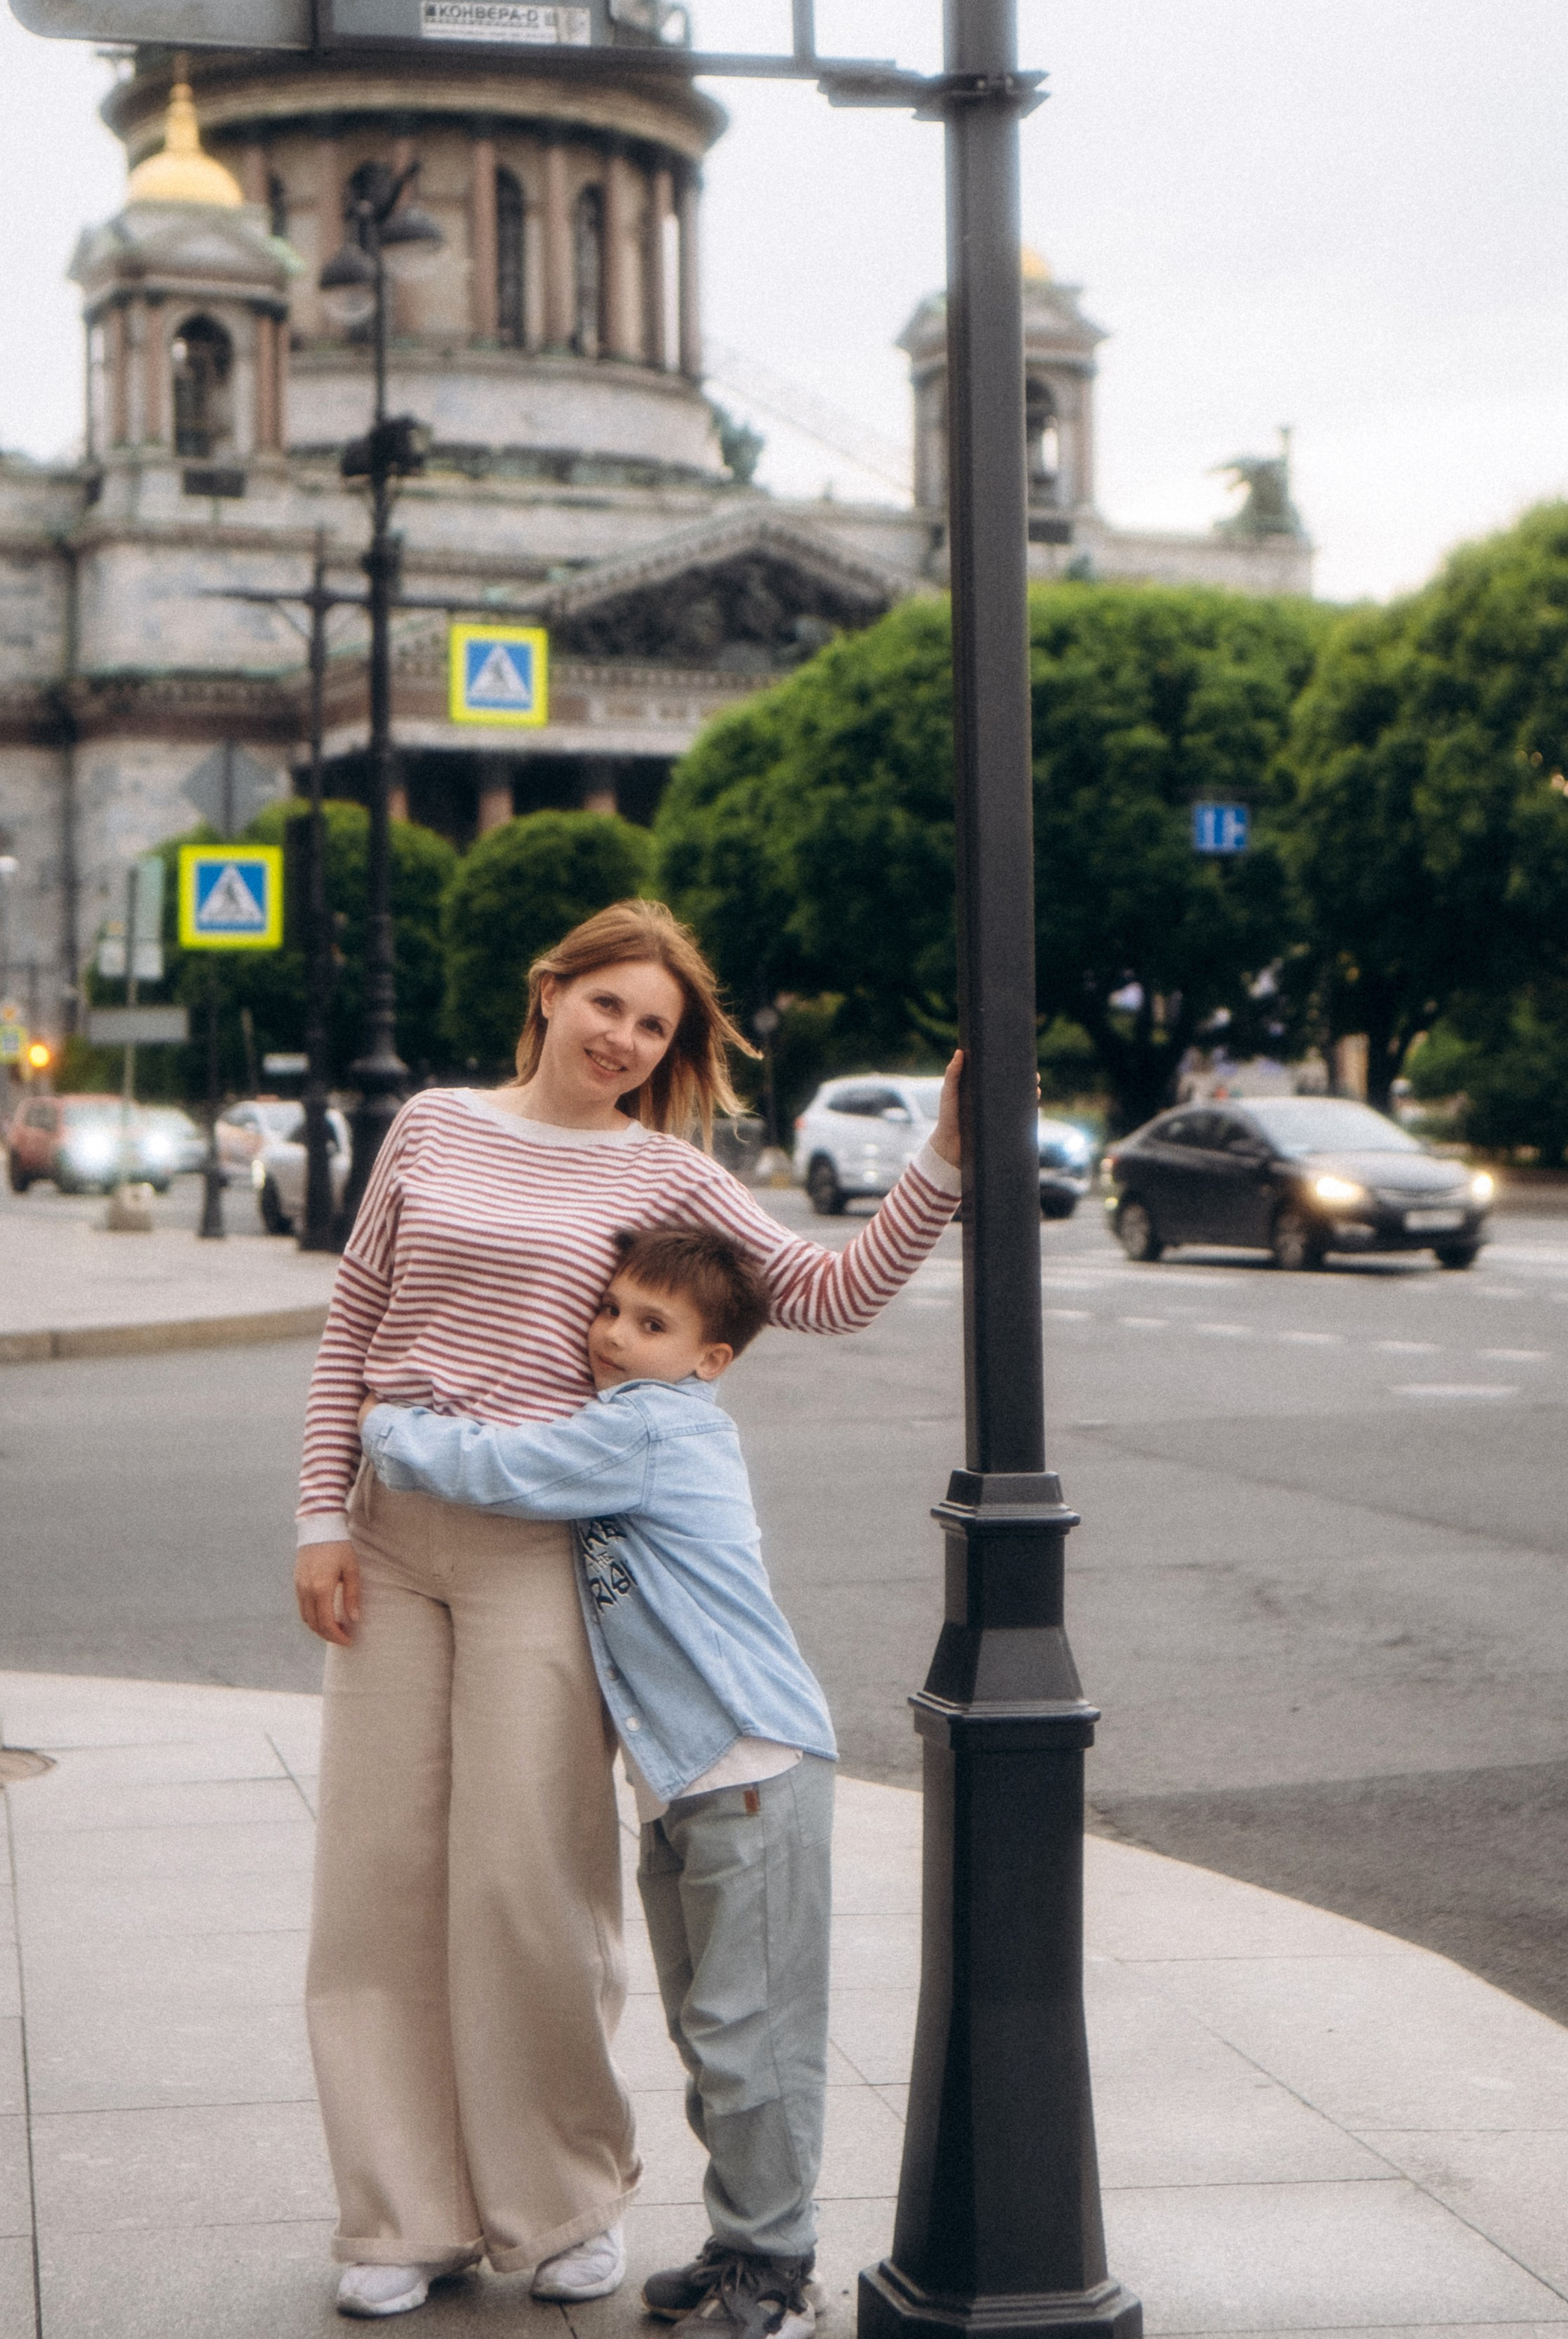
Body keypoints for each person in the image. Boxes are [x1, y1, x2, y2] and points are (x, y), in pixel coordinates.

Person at [294, 898, 963, 2323]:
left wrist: (943, 1161)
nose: (627, 1039)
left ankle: (560, 2202)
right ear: (551, 992)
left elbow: (821, 1293)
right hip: (392, 1537)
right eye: (609, 1005)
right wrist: (315, 1516)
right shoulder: (430, 1126)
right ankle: (401, 2215)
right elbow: (354, 1324)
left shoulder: (666, 1176)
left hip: (544, 1546)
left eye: (655, 1026)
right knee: (378, 1879)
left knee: (529, 1883)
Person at [358, 1221, 835, 2339]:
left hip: (750, 1766)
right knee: (710, 2028)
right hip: (693, 1780)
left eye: (652, 1323)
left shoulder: (654, 1428)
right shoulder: (632, 1418)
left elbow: (501, 1468)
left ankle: (779, 2273)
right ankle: (741, 2241)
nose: (615, 1335)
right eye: (611, 1308)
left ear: (710, 1360)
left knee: (750, 2033)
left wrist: (385, 1424)